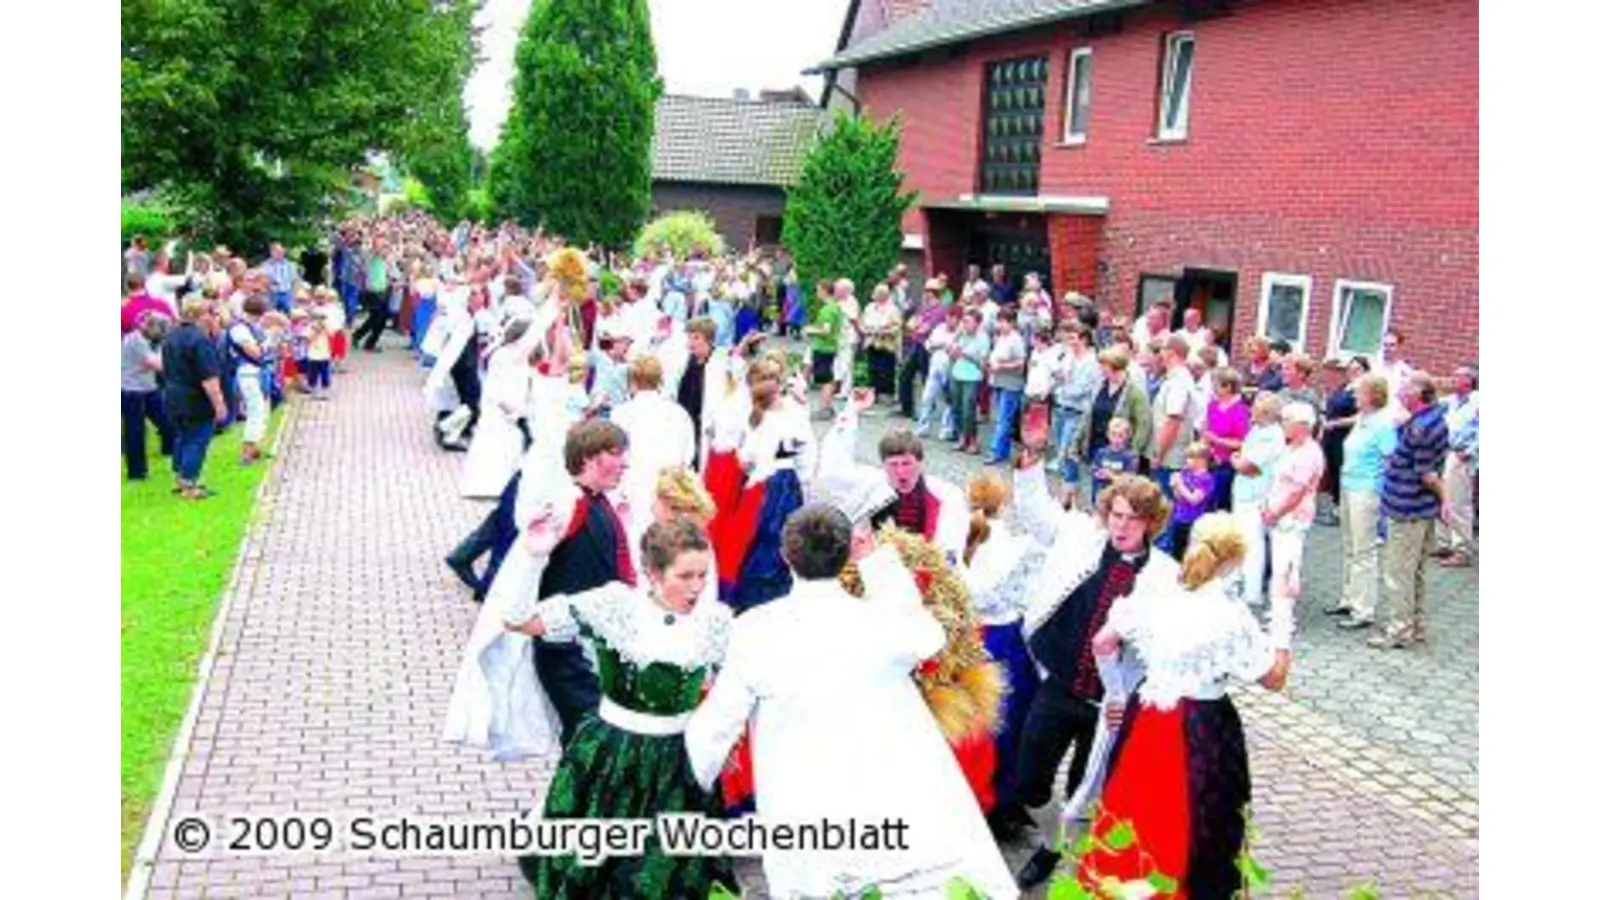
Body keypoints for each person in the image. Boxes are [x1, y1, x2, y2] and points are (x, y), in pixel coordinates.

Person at [684, 504, 1019, 900]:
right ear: (846, 556)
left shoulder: (754, 630)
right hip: (888, 796)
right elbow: (929, 635)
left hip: (808, 803)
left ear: (785, 556)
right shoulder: (883, 622)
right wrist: (877, 563)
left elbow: (717, 724)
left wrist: (698, 775)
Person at [503, 519, 737, 897]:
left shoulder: (716, 622)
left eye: (703, 576)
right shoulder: (615, 607)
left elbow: (733, 692)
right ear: (653, 572)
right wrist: (532, 558)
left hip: (678, 763)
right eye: (685, 575)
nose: (697, 587)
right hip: (613, 757)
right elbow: (517, 621)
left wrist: (724, 744)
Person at [1074, 513, 1291, 897]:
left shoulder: (1154, 592)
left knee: (1133, 806)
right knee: (1196, 817)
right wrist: (1284, 611)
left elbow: (1103, 642)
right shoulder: (1230, 614)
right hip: (1203, 727)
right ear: (1232, 561)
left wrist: (1118, 694)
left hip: (1146, 714)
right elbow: (1274, 677)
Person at [1006, 452, 1180, 890]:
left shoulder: (1165, 576)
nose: (1122, 526)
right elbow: (1036, 513)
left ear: (1152, 524)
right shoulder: (1079, 540)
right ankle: (1052, 841)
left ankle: (1075, 867)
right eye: (1116, 515)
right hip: (1060, 687)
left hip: (1111, 707)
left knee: (1090, 796)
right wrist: (1029, 465)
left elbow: (1169, 647)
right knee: (1029, 783)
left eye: (1134, 519)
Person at [442, 417, 635, 753]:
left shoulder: (597, 502)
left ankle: (556, 806)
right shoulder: (567, 504)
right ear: (590, 458)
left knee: (586, 742)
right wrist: (535, 554)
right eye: (617, 453)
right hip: (567, 649)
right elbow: (524, 571)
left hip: (586, 647)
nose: (625, 463)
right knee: (591, 743)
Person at [961, 472, 1047, 839]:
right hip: (1006, 641)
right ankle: (1003, 798)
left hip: (967, 639)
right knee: (1010, 725)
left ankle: (970, 793)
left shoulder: (960, 537)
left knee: (970, 724)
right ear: (1005, 503)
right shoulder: (1021, 546)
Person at [1369, 373, 1449, 650]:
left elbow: (1427, 474)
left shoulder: (1422, 427)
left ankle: (1399, 630)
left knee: (1398, 572)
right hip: (1419, 508)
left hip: (1408, 509)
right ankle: (1415, 624)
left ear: (1418, 394)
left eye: (1405, 387)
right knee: (1415, 571)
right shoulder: (1428, 418)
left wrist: (1447, 502)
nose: (1400, 391)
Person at [1324, 374, 1397, 630]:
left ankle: (1363, 609)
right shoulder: (1362, 420)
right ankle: (1348, 598)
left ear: (1372, 395)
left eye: (1359, 392)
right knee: (1349, 544)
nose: (1354, 395)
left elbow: (1390, 461)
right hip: (1348, 485)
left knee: (1364, 549)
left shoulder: (1383, 425)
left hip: (1366, 491)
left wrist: (1382, 495)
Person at [1260, 402, 1325, 651]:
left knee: (1286, 567)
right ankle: (1279, 612)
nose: (1283, 425)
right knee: (1280, 565)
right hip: (1279, 514)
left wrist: (1275, 512)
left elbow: (1298, 491)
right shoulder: (1291, 448)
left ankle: (1283, 620)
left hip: (1292, 517)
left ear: (1302, 426)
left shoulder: (1309, 453)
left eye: (1287, 421)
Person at [162, 296, 230, 500]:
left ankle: (180, 479)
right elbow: (209, 378)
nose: (214, 317)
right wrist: (219, 404)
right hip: (195, 399)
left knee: (182, 437)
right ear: (202, 315)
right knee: (197, 440)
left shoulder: (171, 335)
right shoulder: (200, 340)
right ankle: (189, 485)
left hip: (173, 394)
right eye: (212, 313)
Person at [1229, 393, 1286, 609]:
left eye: (1254, 407)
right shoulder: (1257, 430)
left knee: (1253, 544)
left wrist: (1235, 460)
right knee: (1241, 540)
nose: (1250, 410)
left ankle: (1252, 592)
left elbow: (1248, 466)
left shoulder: (1272, 436)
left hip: (1257, 495)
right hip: (1244, 492)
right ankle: (1238, 581)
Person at [122, 313, 175, 481]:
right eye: (160, 330)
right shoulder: (135, 341)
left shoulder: (149, 340)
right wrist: (163, 348)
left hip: (148, 387)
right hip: (131, 391)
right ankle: (137, 473)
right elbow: (158, 365)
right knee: (135, 432)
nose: (162, 333)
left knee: (166, 421)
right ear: (149, 327)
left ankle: (170, 449)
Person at [1435, 365, 1478, 568]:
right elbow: (1430, 397)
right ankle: (1444, 543)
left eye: (1457, 376)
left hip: (1461, 456)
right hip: (1446, 452)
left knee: (1458, 503)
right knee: (1442, 498)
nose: (1452, 379)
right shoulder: (1452, 401)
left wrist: (1470, 451)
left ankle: (1462, 550)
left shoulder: (1477, 402)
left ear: (1469, 381)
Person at [1169, 441, 1216, 560]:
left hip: (1194, 522)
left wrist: (1179, 484)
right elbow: (1178, 497)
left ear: (1201, 460)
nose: (1186, 461)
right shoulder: (1186, 473)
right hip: (1180, 518)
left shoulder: (1205, 479)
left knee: (1192, 553)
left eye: (1189, 458)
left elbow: (1194, 500)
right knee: (1177, 551)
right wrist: (1174, 485)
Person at [1089, 417, 1138, 505]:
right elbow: (1094, 469)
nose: (1116, 439)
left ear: (1128, 436)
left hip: (1117, 497)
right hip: (1100, 493)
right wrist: (1098, 473)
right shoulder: (1101, 452)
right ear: (1108, 434)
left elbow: (1128, 480)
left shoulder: (1130, 457)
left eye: (1120, 436)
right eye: (1113, 434)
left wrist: (1110, 475)